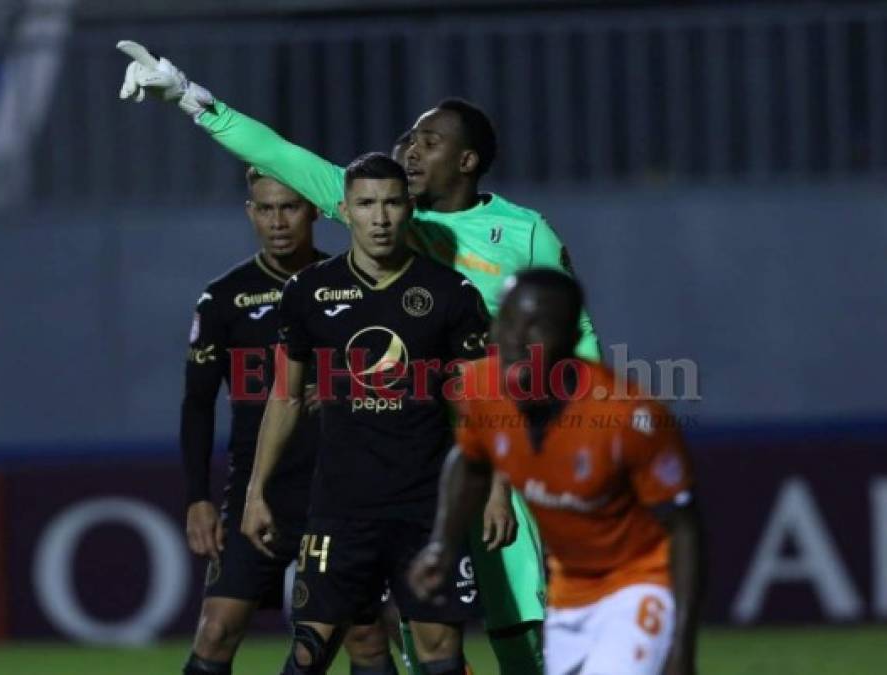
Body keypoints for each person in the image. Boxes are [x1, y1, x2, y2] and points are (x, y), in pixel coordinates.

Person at [115, 41, 592, 673]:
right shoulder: (386, 213)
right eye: (408, 137)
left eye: (430, 140)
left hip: (493, 449)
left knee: (519, 620)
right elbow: (284, 156)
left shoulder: (525, 233)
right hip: (410, 459)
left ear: (468, 160)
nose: (411, 148)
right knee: (420, 639)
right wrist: (192, 100)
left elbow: (577, 339)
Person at [240, 152, 496, 675]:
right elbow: (285, 397)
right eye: (366, 204)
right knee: (308, 656)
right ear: (344, 210)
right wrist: (255, 492)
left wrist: (497, 492)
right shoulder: (307, 292)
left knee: (440, 657)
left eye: (392, 203)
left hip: (428, 509)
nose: (380, 218)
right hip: (340, 508)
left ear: (409, 210)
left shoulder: (451, 293)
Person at [409, 268, 703, 675]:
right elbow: (469, 462)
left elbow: (685, 527)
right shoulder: (483, 390)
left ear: (569, 340)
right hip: (570, 591)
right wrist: (442, 543)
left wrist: (681, 644)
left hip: (638, 585)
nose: (515, 341)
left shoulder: (626, 417)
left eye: (537, 329)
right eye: (507, 322)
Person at [180, 168, 390, 675]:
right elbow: (197, 404)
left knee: (364, 636)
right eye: (266, 209)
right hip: (260, 494)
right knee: (216, 630)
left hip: (339, 494)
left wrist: (341, 385)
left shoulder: (352, 285)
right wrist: (197, 498)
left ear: (315, 211)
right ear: (251, 213)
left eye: (290, 208)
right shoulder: (224, 298)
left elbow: (399, 372)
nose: (278, 222)